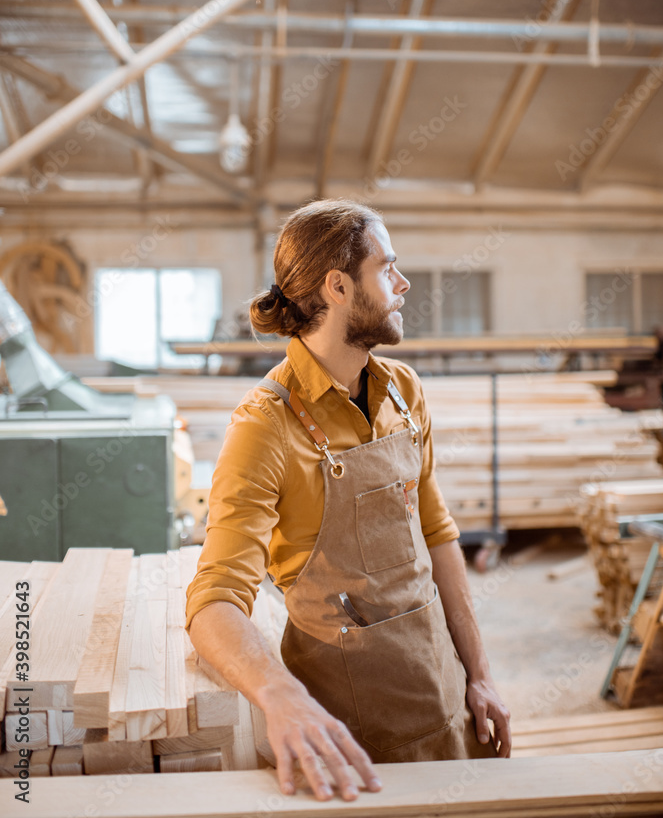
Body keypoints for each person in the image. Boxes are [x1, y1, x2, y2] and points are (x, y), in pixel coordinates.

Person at [186, 199, 511, 801]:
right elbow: (213, 600)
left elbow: (437, 534)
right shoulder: (264, 427)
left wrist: (480, 675)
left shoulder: (404, 391)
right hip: (349, 737)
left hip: (445, 698)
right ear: (337, 287)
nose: (403, 283)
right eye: (388, 269)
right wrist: (280, 698)